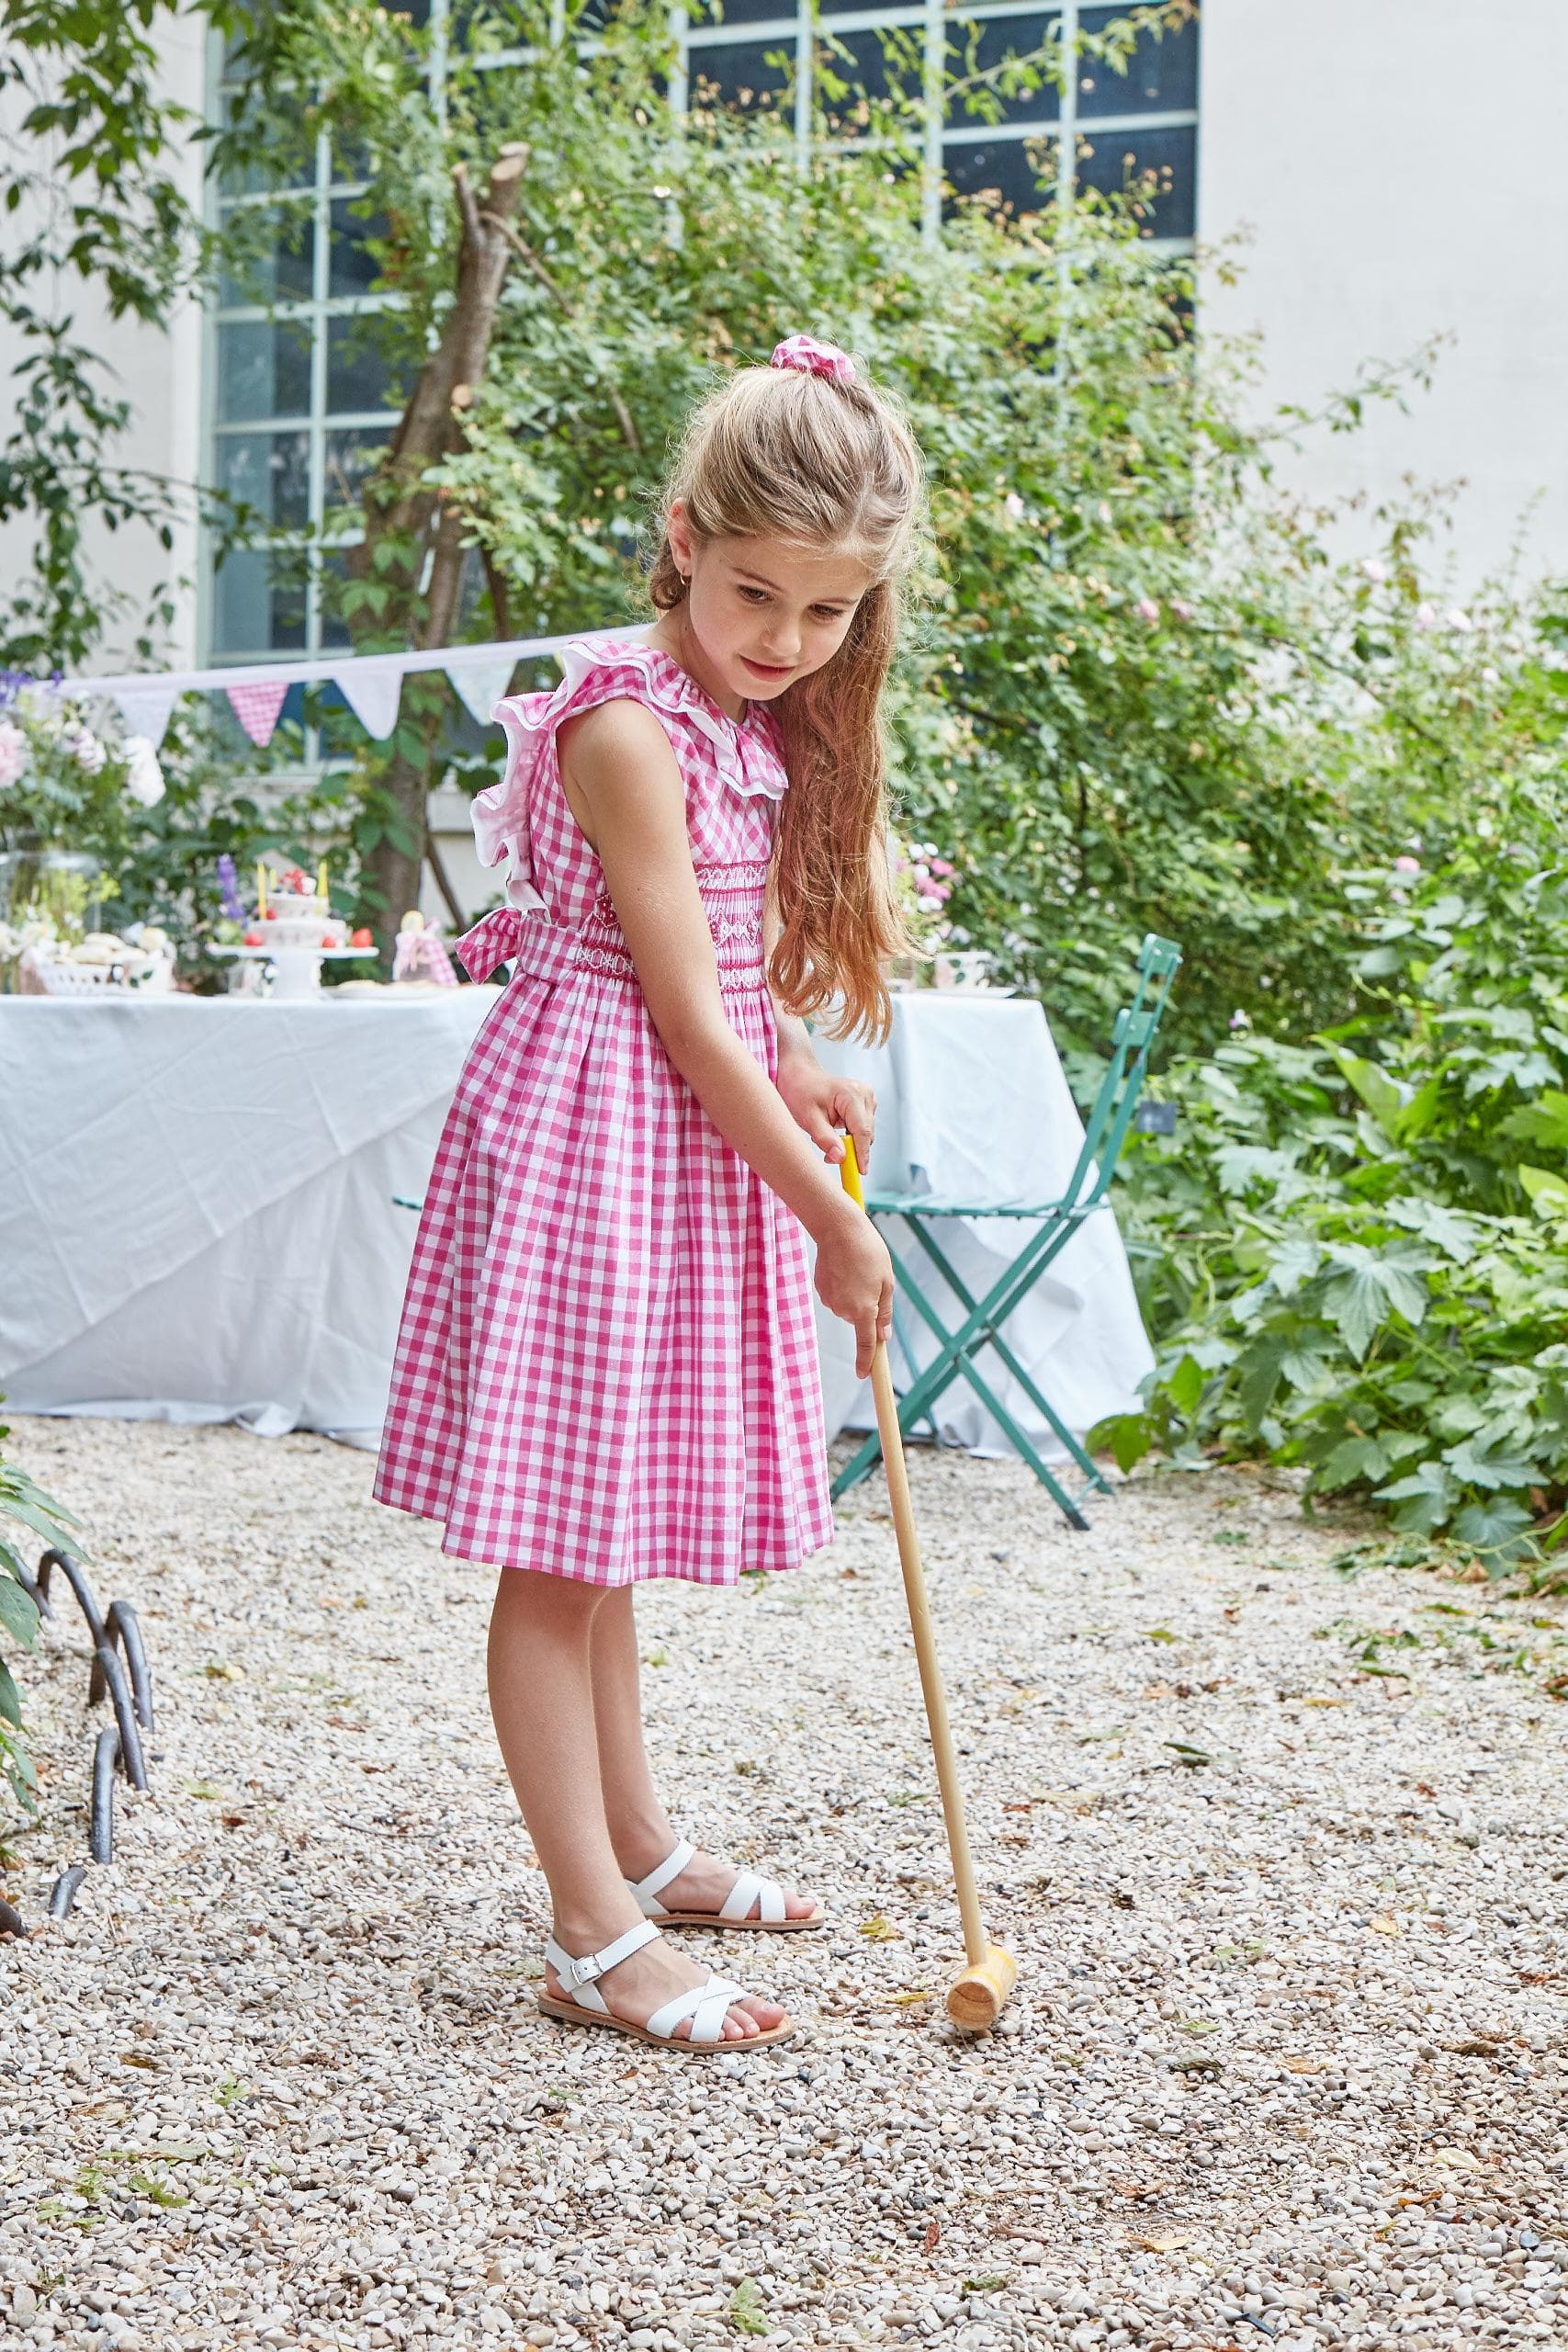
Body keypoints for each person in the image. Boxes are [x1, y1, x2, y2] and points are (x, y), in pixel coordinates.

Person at [373, 333, 923, 2052]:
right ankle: (589, 1928)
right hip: (594, 1138)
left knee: (600, 1531)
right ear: (683, 535)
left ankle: (638, 1838)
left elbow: (713, 981)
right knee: (557, 1545)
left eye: (826, 615)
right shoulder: (625, 722)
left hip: (659, 1125)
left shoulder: (738, 719)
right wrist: (833, 1220)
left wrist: (803, 1061)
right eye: (756, 594)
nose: (786, 642)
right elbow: (675, 1013)